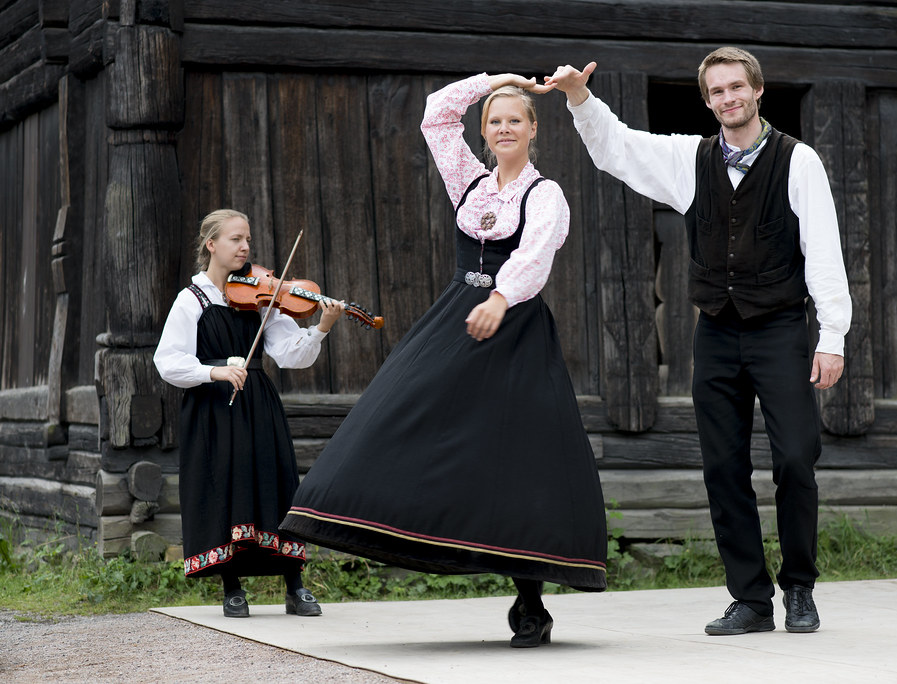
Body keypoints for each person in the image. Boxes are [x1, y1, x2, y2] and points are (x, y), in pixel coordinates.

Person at [278, 72, 607, 648]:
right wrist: (497, 81)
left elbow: (535, 257)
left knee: (519, 457)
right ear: (485, 131)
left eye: (515, 119)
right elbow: (435, 114)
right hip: (459, 313)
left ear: (534, 129)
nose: (504, 128)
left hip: (516, 326)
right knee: (397, 410)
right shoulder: (470, 183)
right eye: (495, 120)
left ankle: (530, 602)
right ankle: (388, 527)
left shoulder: (544, 194)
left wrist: (501, 298)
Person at [546, 48, 851, 635]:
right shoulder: (692, 158)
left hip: (781, 330)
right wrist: (579, 99)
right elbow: (619, 149)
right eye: (717, 91)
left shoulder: (799, 160)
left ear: (757, 91)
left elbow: (825, 251)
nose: (728, 99)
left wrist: (831, 336)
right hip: (714, 331)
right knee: (723, 467)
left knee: (794, 458)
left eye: (737, 87)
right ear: (708, 100)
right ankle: (751, 600)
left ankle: (800, 588)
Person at [154, 209, 345, 618]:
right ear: (211, 245)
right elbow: (167, 361)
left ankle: (295, 585)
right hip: (213, 407)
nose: (244, 247)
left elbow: (291, 354)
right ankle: (232, 586)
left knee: (276, 482)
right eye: (236, 239)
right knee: (225, 487)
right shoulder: (193, 300)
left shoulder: (260, 296)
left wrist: (323, 326)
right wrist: (214, 370)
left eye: (248, 240)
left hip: (257, 400)